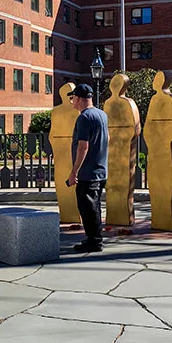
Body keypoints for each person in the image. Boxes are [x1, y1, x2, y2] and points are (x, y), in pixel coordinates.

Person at [67, 83, 109, 253]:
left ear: (78, 98)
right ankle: (94, 238)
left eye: (72, 98)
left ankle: (94, 241)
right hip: (100, 169)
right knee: (94, 206)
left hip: (87, 172)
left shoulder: (84, 118)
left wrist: (74, 172)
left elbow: (83, 147)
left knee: (87, 208)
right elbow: (107, 139)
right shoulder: (102, 115)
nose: (72, 102)